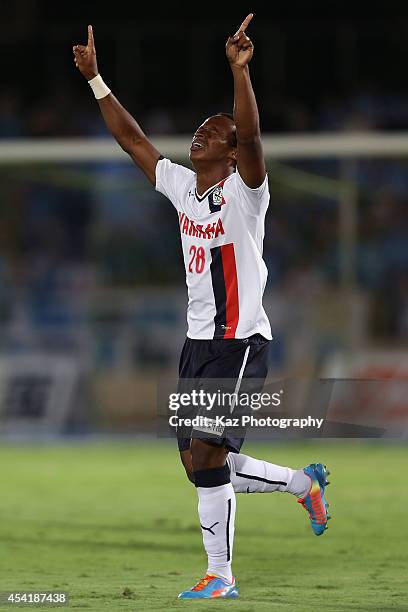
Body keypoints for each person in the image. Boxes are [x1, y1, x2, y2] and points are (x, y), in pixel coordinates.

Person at [73, 14, 331, 600]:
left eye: (213, 132)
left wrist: (240, 74)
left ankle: (221, 576)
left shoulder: (247, 193)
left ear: (232, 149)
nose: (200, 135)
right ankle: (301, 484)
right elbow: (133, 140)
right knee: (199, 464)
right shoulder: (183, 186)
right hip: (195, 344)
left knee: (209, 453)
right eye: (200, 130)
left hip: (240, 343)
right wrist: (96, 80)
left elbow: (255, 137)